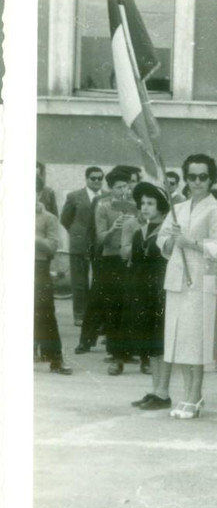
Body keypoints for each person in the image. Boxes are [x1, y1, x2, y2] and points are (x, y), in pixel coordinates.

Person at [157, 153, 217, 420]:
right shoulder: (178, 207)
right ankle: (188, 394)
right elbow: (163, 238)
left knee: (195, 342)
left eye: (202, 177)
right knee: (178, 341)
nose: (197, 181)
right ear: (186, 178)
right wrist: (170, 242)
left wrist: (190, 242)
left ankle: (195, 395)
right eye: (192, 177)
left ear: (211, 179)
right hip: (177, 280)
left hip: (201, 282)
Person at [77, 167, 137, 372]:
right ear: (110, 189)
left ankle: (127, 350)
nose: (123, 190)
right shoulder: (103, 205)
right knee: (108, 305)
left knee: (128, 305)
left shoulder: (133, 205)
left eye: (125, 186)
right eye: (119, 187)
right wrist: (114, 228)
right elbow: (100, 238)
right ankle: (110, 350)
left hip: (128, 259)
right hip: (110, 260)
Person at [126, 183, 172, 410]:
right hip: (142, 293)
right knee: (150, 343)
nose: (145, 207)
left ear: (161, 207)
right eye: (142, 203)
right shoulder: (139, 232)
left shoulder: (164, 233)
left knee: (160, 342)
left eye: (150, 203)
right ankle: (155, 390)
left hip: (160, 292)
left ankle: (163, 392)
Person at [36, 176, 72, 375]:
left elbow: (52, 247)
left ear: (40, 193)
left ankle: (56, 358)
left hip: (39, 268)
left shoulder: (49, 218)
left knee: (45, 313)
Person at [61, 166, 104, 326]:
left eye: (100, 178)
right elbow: (65, 219)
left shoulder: (106, 197)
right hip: (80, 244)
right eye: (93, 178)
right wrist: (76, 234)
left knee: (99, 280)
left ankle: (97, 317)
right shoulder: (74, 196)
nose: (97, 181)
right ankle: (79, 315)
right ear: (86, 179)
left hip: (99, 244)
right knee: (79, 282)